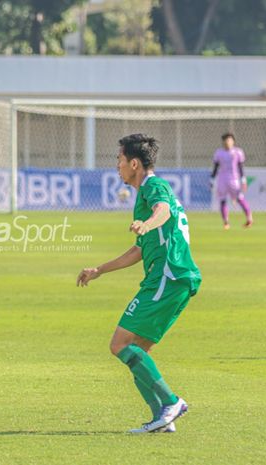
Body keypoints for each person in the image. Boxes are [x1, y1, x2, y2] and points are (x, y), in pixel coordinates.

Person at [77, 134, 201, 434]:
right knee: (136, 352)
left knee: (119, 344)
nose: (117, 166)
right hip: (174, 278)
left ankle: (171, 402)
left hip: (167, 276)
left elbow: (164, 211)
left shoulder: (153, 187)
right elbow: (138, 250)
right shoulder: (143, 195)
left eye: (119, 160)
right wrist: (99, 270)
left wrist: (147, 223)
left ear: (134, 163)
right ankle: (162, 417)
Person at [210, 133, 253, 229]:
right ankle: (226, 222)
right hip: (222, 179)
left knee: (240, 198)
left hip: (234, 179)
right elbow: (215, 168)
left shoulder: (238, 152)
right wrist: (212, 179)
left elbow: (240, 167)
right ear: (223, 142)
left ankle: (249, 219)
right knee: (223, 200)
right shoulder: (219, 153)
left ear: (233, 141)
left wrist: (243, 180)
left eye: (229, 140)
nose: (228, 142)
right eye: (226, 140)